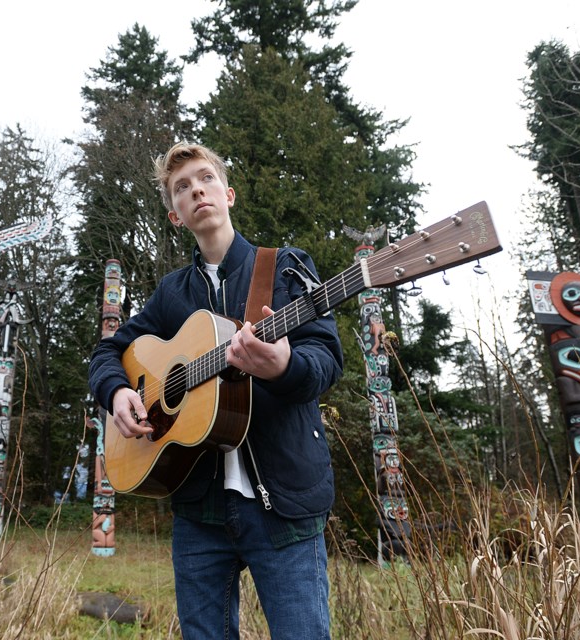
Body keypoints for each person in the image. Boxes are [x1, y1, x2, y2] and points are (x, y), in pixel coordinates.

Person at [88, 142, 343, 639]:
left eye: (204, 179)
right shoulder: (171, 294)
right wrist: (118, 393)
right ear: (175, 215)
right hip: (198, 510)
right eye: (181, 187)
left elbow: (327, 361)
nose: (195, 189)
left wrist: (285, 365)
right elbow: (108, 353)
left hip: (284, 503)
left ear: (227, 193)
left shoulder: (286, 266)